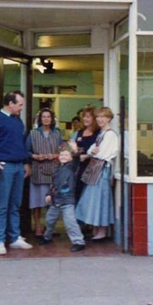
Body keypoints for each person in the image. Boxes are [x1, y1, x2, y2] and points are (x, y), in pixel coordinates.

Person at [0, 90, 33, 255]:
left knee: (15, 204)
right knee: (2, 205)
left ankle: (15, 237)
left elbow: (21, 144)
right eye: (20, 104)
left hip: (18, 166)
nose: (21, 108)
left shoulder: (18, 122)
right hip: (4, 166)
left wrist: (25, 162)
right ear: (10, 104)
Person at [75, 106, 119, 241]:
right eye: (98, 117)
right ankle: (97, 229)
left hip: (102, 171)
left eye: (103, 117)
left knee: (101, 200)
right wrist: (91, 151)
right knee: (93, 200)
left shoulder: (110, 134)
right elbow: (90, 150)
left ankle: (102, 231)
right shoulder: (101, 134)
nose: (99, 119)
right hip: (96, 170)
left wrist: (92, 151)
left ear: (109, 119)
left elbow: (101, 153)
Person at [38, 143, 86, 252]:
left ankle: (78, 241)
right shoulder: (57, 170)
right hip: (56, 200)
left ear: (70, 158)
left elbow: (77, 159)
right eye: (61, 155)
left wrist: (75, 150)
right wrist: (49, 194)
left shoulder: (72, 167)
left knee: (70, 222)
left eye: (66, 155)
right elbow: (53, 185)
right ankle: (47, 237)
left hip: (67, 201)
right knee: (49, 220)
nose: (63, 157)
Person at [26, 108, 63, 236]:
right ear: (40, 119)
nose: (46, 119)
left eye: (48, 117)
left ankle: (49, 228)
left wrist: (54, 155)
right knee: (37, 202)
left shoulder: (57, 133)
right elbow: (26, 151)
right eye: (44, 117)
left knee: (51, 202)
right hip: (38, 170)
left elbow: (62, 151)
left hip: (53, 171)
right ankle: (37, 227)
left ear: (52, 119)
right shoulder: (33, 133)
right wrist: (35, 157)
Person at [69, 107, 99, 199]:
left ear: (94, 118)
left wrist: (87, 156)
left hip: (92, 170)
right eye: (84, 117)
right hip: (78, 168)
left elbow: (99, 151)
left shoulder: (98, 133)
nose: (85, 119)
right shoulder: (78, 133)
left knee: (88, 195)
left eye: (88, 117)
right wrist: (74, 151)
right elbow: (71, 149)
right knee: (77, 192)